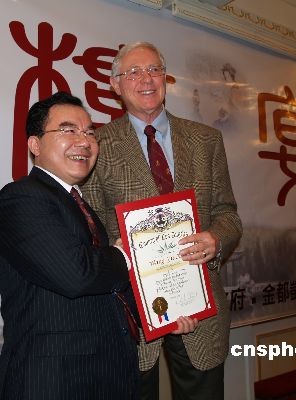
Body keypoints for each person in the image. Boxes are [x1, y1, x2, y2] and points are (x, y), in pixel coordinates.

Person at [81, 42, 243, 400]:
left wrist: (216, 239)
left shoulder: (206, 140)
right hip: (129, 313)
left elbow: (228, 213)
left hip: (200, 306)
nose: (146, 79)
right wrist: (114, 253)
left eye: (154, 69)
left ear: (165, 78)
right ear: (115, 84)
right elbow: (90, 229)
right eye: (133, 72)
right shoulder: (97, 145)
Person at [0, 91, 147, 399]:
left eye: (90, 133)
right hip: (55, 381)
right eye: (68, 130)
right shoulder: (21, 198)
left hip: (107, 374)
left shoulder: (79, 203)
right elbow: (76, 274)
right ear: (35, 145)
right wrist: (124, 254)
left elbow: (110, 288)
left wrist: (161, 315)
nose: (84, 141)